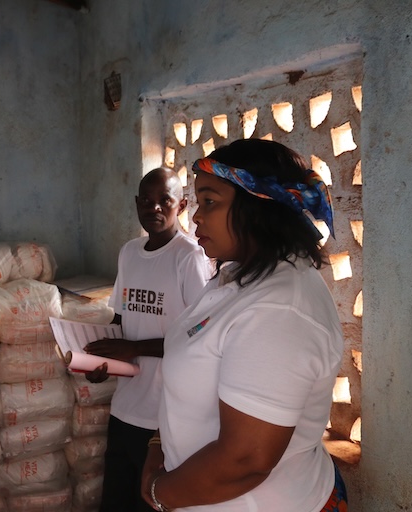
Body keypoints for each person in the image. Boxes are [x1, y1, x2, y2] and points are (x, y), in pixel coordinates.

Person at [141, 138, 347, 512]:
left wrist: (160, 494)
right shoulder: (237, 275)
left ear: (257, 206)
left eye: (210, 202)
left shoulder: (280, 310)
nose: (196, 217)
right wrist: (160, 445)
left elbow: (244, 462)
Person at [84, 167, 211, 512]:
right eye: (146, 201)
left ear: (181, 205)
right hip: (126, 407)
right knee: (116, 501)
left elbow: (202, 336)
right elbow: (122, 320)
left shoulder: (189, 258)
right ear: (136, 203)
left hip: (164, 417)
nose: (153, 208)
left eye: (164, 201)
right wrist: (103, 361)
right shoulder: (129, 252)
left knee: (151, 503)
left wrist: (135, 349)